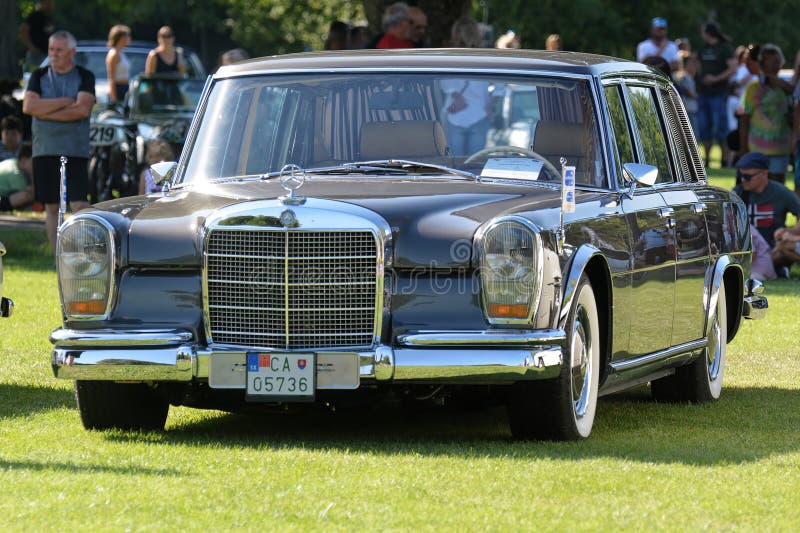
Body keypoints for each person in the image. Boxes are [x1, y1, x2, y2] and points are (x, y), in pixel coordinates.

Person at [22, 30, 95, 250]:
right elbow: (28, 107)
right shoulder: (38, 76)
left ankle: (85, 251)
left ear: (71, 52)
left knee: (79, 204)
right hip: (45, 148)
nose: (53, 54)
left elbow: (82, 110)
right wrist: (65, 101)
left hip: (76, 149)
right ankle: (56, 255)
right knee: (51, 205)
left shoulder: (85, 76)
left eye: (59, 50)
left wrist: (44, 110)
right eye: (51, 49)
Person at [739, 44, 793, 183]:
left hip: (781, 147)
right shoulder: (753, 87)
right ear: (762, 62)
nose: (774, 65)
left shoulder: (786, 88)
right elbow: (744, 118)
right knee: (758, 184)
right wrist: (743, 148)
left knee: (778, 184)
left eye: (777, 61)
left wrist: (784, 86)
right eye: (770, 61)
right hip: (757, 147)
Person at [442, 16, 490, 156]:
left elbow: (444, 82)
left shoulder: (448, 57)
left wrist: (455, 94)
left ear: (456, 33)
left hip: (455, 114)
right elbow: (498, 86)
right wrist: (491, 104)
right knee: (475, 164)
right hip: (479, 113)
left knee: (455, 164)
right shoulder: (485, 58)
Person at [733, 152, 800, 252]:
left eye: (747, 177)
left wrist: (792, 231)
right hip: (746, 248)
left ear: (764, 173)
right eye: (740, 175)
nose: (742, 180)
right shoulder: (737, 193)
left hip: (773, 247)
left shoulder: (781, 193)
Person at [697, 21, 736, 168]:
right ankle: (706, 160)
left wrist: (716, 79)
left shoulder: (725, 48)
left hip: (719, 94)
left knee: (721, 128)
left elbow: (733, 68)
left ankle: (724, 160)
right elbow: (698, 67)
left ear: (708, 33)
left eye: (703, 32)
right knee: (704, 128)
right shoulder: (703, 49)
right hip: (703, 93)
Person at [19, 0, 55, 72]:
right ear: (42, 3)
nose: (49, 5)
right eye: (47, 3)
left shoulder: (49, 18)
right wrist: (31, 47)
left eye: (51, 3)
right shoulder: (35, 16)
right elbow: (23, 30)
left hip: (47, 54)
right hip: (36, 55)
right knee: (34, 76)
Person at [0, 142, 34, 211]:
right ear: (23, 161)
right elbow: (28, 192)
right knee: (27, 195)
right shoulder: (15, 172)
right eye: (33, 163)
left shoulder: (12, 162)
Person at [106, 25, 131, 105]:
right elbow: (111, 78)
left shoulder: (121, 53)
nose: (129, 39)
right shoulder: (113, 54)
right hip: (117, 89)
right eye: (127, 36)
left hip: (124, 89)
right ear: (121, 38)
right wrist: (114, 100)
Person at [675, 55, 699, 135]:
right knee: (691, 134)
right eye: (691, 63)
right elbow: (688, 92)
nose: (694, 65)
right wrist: (697, 96)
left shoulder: (690, 77)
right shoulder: (683, 77)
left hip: (692, 109)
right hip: (688, 109)